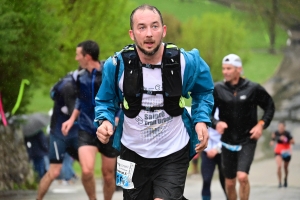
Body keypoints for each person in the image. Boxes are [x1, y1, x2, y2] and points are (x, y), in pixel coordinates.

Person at [94, 4, 214, 200]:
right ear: (132, 34)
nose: (149, 34)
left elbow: (204, 90)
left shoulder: (186, 62)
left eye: (155, 26)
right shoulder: (116, 65)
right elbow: (105, 100)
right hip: (130, 152)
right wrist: (105, 120)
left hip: (173, 150)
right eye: (142, 27)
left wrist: (201, 119)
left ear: (163, 31)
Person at [212, 54, 275, 200]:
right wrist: (216, 123)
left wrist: (261, 125)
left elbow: (269, 107)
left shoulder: (253, 88)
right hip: (227, 141)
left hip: (247, 139)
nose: (225, 72)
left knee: (242, 177)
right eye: (223, 68)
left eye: (229, 68)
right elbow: (206, 112)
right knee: (229, 183)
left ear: (238, 69)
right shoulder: (218, 89)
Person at [61, 40, 119, 200]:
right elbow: (80, 100)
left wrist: (117, 117)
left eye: (78, 55)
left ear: (87, 56)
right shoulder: (80, 77)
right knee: (86, 172)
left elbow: (118, 97)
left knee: (108, 175)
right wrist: (71, 119)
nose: (76, 58)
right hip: (86, 127)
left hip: (108, 128)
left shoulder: (108, 72)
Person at [36, 70, 80, 200]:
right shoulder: (66, 85)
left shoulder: (90, 84)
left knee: (88, 167)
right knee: (54, 171)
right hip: (59, 134)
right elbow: (55, 95)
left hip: (77, 133)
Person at [270, 121, 295, 188]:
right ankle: (279, 182)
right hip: (278, 151)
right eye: (279, 127)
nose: (280, 128)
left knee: (285, 167)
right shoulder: (276, 133)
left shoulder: (288, 133)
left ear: (284, 127)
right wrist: (272, 142)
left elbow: (293, 142)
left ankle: (285, 179)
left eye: (282, 127)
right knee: (279, 166)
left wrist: (286, 139)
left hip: (286, 151)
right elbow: (272, 140)